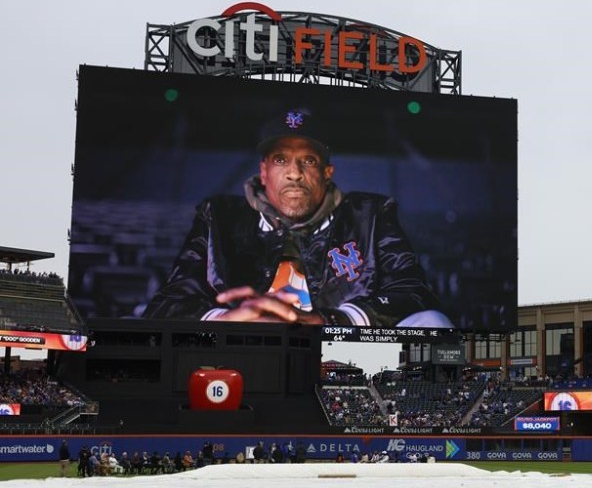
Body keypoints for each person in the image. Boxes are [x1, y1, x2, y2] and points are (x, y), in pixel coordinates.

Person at [142, 108, 452, 329]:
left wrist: (331, 320)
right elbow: (166, 305)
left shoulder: (370, 214)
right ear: (263, 171)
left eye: (308, 160)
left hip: (341, 352)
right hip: (241, 351)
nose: (294, 173)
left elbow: (413, 291)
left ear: (326, 173)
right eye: (281, 160)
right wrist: (227, 319)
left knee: (434, 324)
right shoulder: (220, 217)